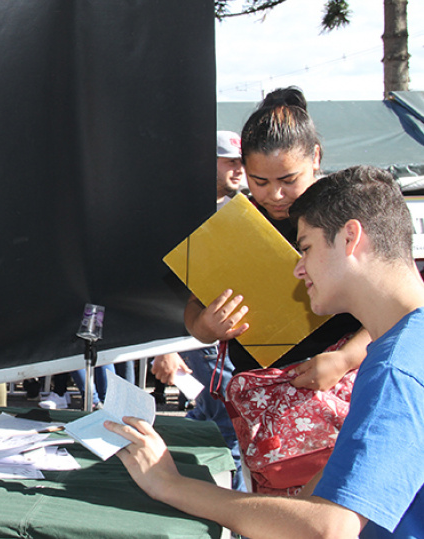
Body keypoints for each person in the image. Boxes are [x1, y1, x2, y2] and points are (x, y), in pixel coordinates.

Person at [107, 166, 423, 538]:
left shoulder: (396, 369)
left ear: (350, 238)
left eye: (306, 248)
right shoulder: (404, 348)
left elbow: (329, 528)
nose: (299, 269)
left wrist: (168, 484)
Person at [184, 88, 369, 387]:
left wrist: (345, 359)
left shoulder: (351, 218)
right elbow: (194, 309)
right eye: (259, 182)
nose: (276, 195)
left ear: (315, 157)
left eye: (288, 180)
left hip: (343, 385)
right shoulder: (236, 224)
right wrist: (206, 327)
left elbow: (401, 304)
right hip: (258, 392)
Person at [151, 130, 247, 489]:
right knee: (230, 428)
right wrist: (165, 346)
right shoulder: (182, 212)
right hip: (197, 338)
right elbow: (163, 282)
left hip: (226, 340)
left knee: (209, 419)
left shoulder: (243, 211)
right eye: (229, 161)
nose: (238, 168)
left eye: (240, 161)